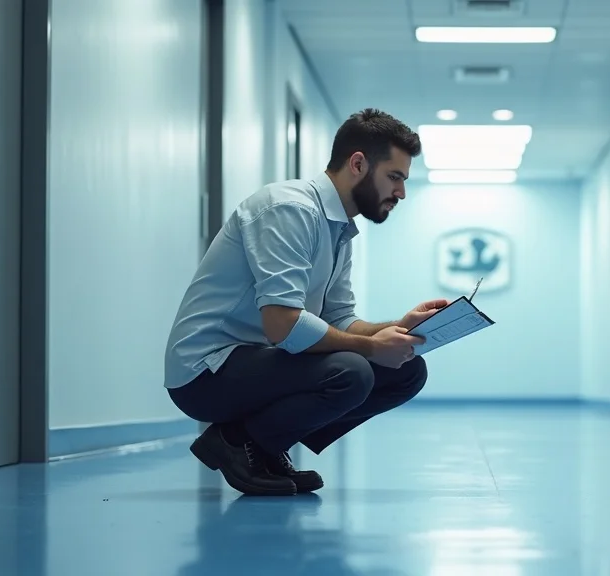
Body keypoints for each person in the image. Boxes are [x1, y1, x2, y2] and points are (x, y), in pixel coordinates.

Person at [163, 108, 448, 496]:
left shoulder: (339, 229)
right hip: (206, 372)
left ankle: (262, 444)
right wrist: (369, 346)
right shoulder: (289, 208)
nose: (401, 192)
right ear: (359, 164)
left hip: (259, 362)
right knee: (351, 370)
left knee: (406, 371)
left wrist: (396, 328)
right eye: (394, 177)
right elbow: (282, 325)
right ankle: (236, 443)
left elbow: (340, 319)